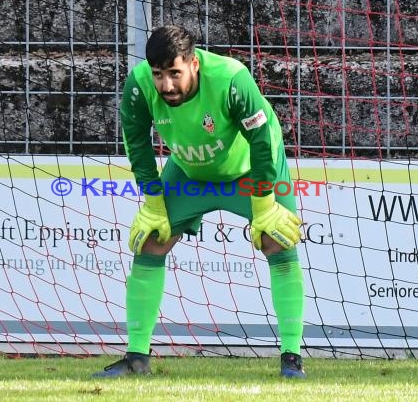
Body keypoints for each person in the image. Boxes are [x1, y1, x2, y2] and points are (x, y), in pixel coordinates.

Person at [91, 25, 306, 379]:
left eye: (174, 73)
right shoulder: (139, 86)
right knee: (150, 243)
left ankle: (291, 360)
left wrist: (265, 202)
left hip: (251, 171)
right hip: (190, 172)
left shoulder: (232, 78)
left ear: (194, 64)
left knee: (278, 242)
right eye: (159, 75)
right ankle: (136, 359)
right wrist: (154, 201)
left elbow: (263, 139)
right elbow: (137, 145)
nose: (167, 85)